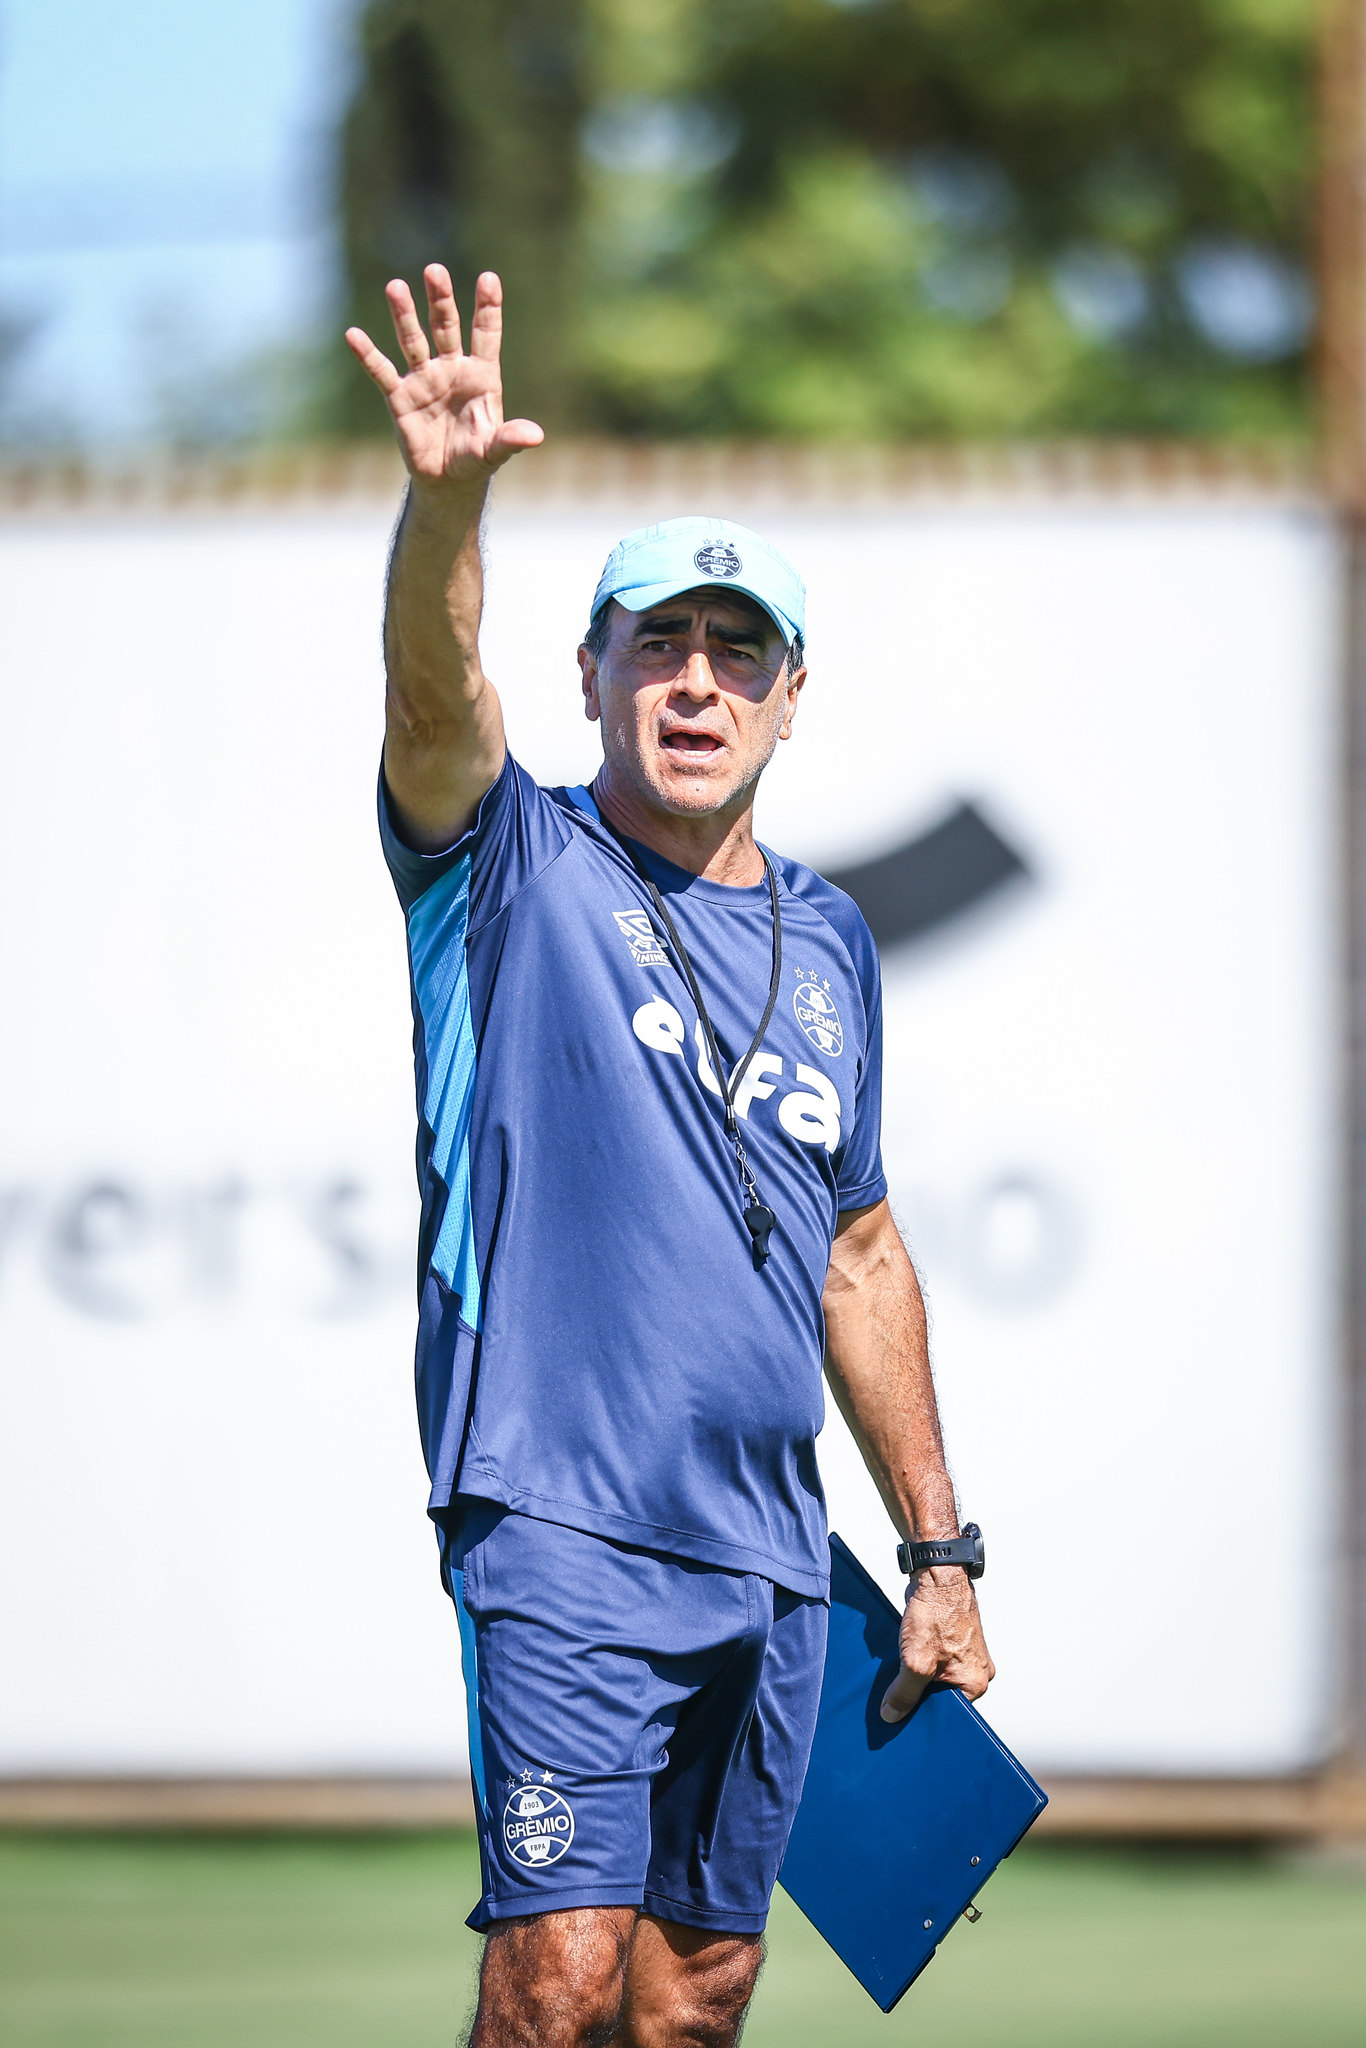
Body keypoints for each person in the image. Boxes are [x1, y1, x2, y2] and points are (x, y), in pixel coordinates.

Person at [346, 265, 994, 2048]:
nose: (694, 684)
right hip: (555, 1519)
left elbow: (858, 1249)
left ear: (792, 700)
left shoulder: (833, 937)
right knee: (553, 1979)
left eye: (736, 655)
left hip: (773, 1554)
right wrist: (448, 501)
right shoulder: (504, 864)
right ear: (590, 676)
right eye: (657, 642)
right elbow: (425, 694)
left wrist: (940, 1554)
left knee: (693, 1997)